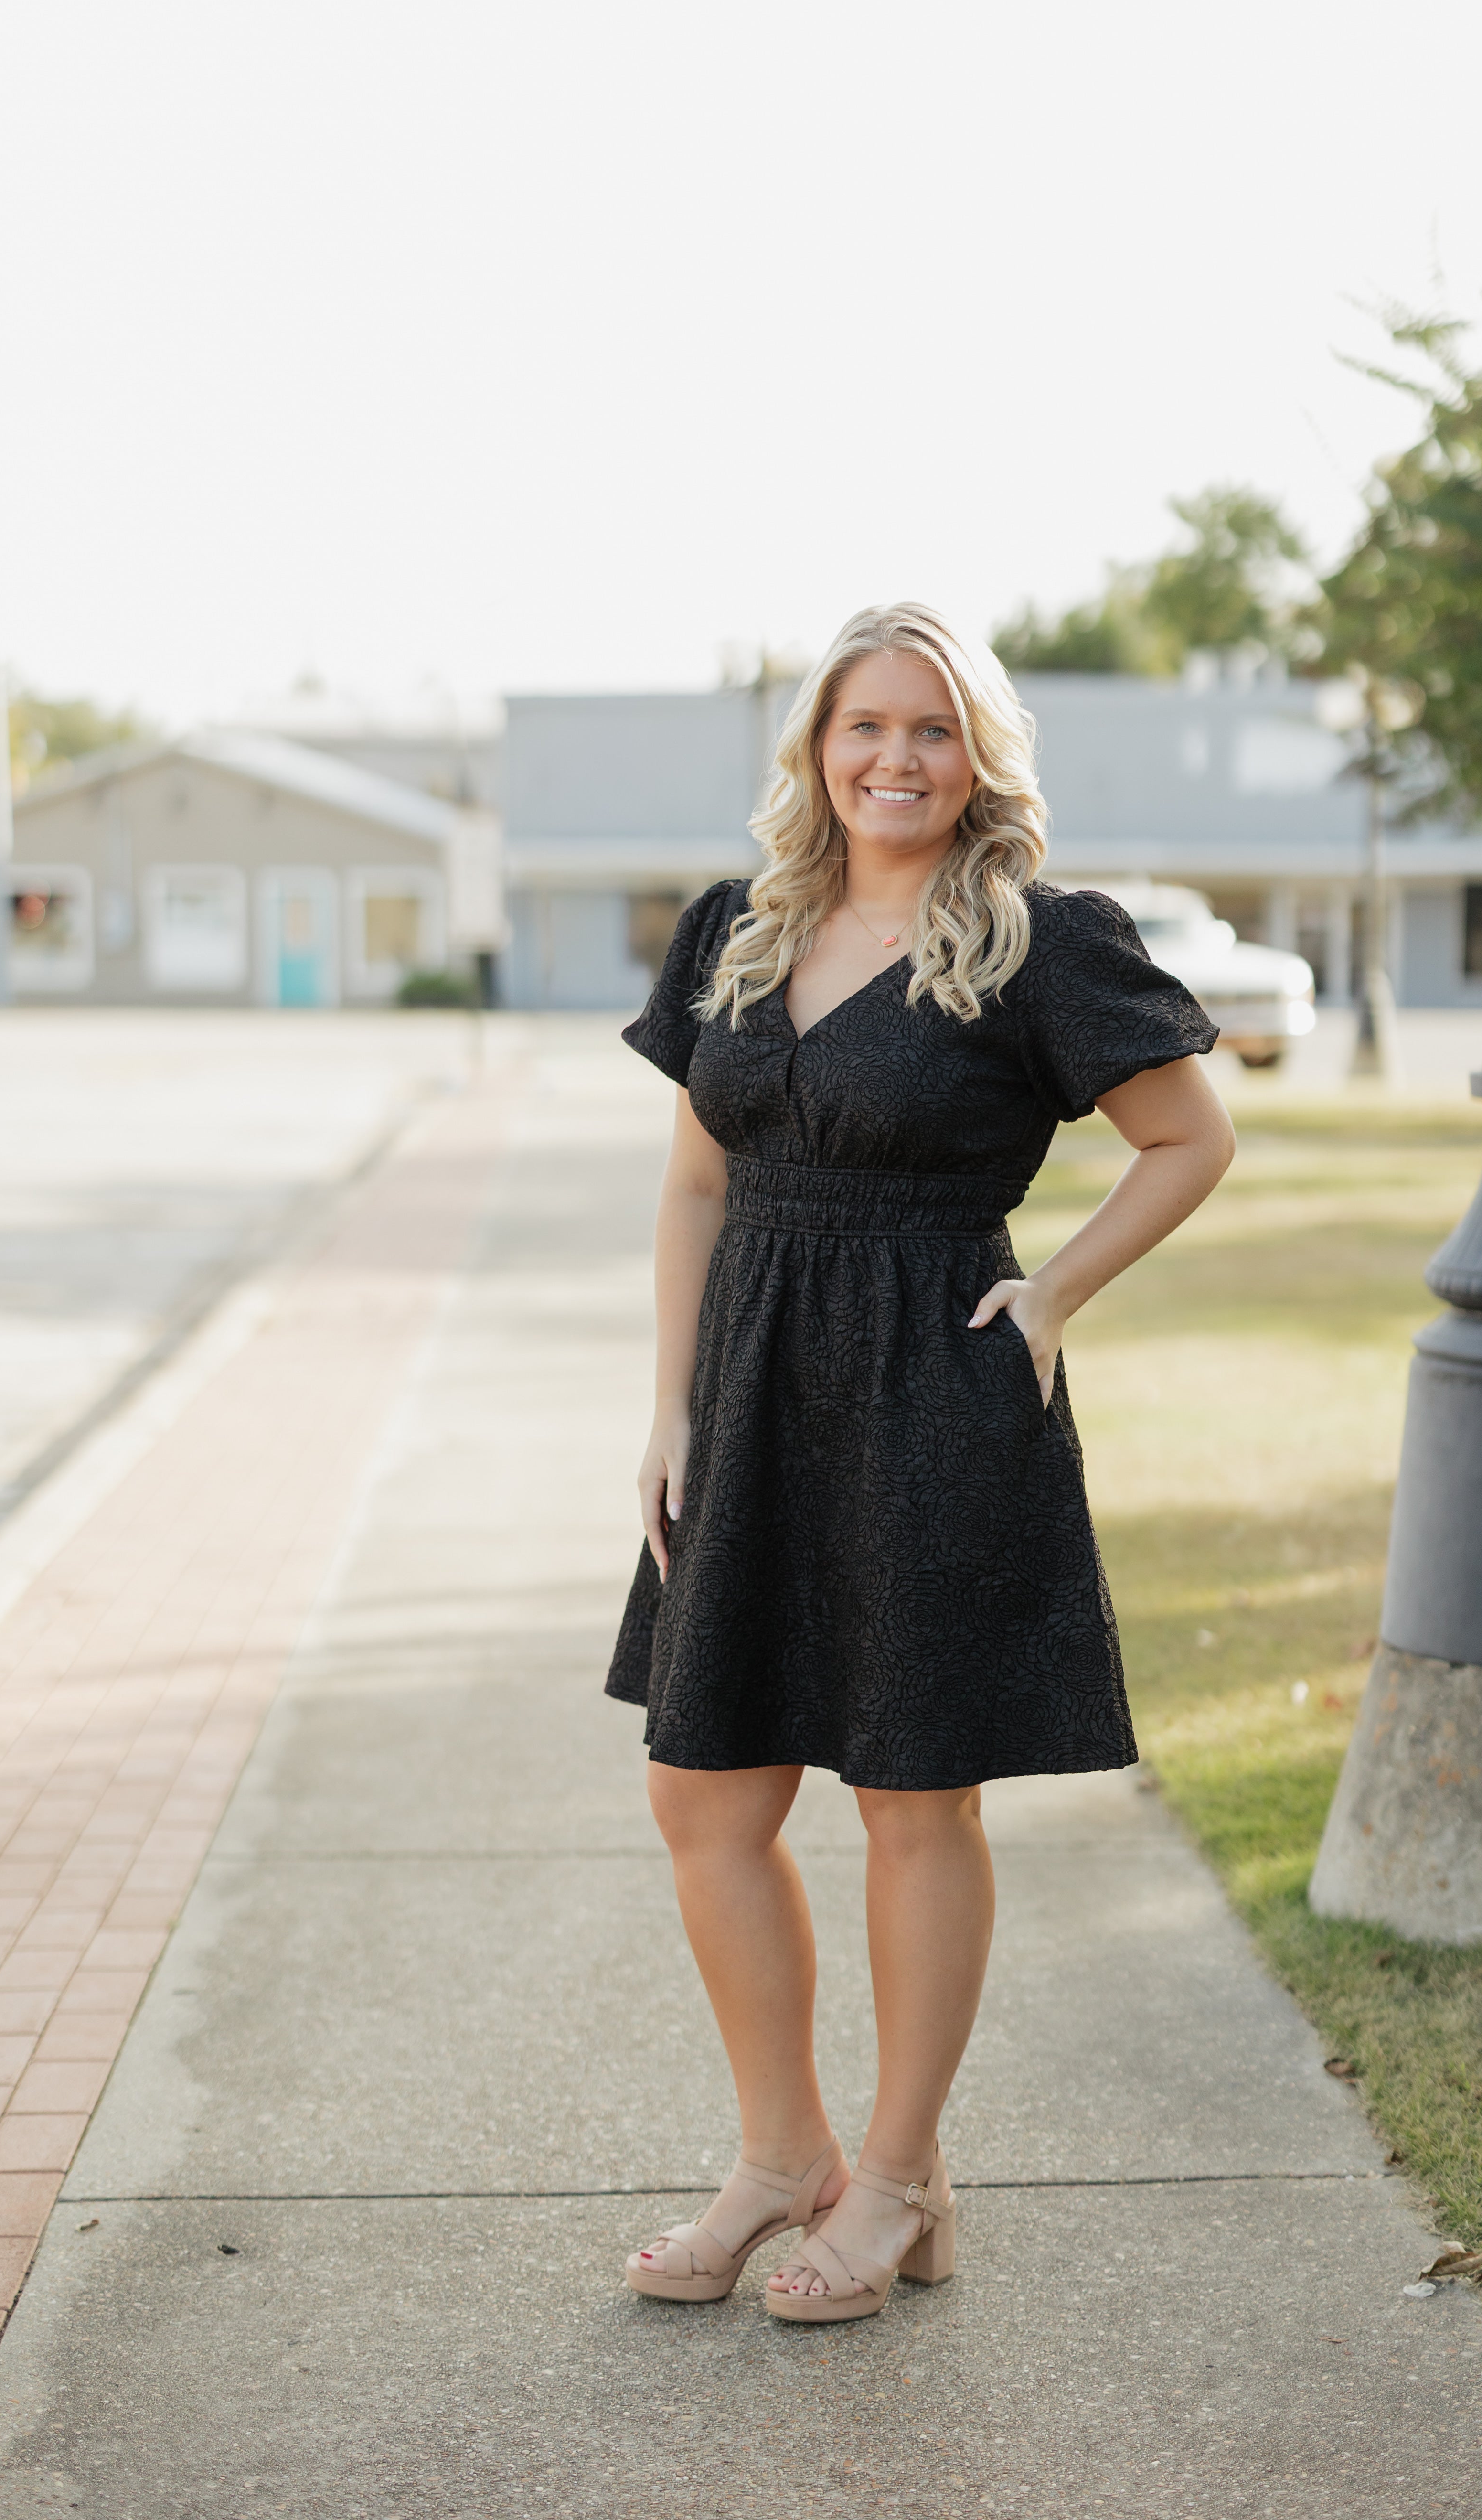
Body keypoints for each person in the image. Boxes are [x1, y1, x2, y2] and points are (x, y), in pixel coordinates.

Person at [608, 602, 1234, 2325]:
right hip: (747, 1397)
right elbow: (692, 1184)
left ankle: (895, 2183)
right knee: (704, 1792)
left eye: (933, 730)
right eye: (865, 725)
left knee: (908, 1792)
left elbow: (1192, 1137)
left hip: (934, 1395)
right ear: (818, 746)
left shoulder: (1037, 939)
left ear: (980, 760)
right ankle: (781, 2156)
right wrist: (666, 1410)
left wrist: (1051, 1300)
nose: (895, 757)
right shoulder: (738, 929)